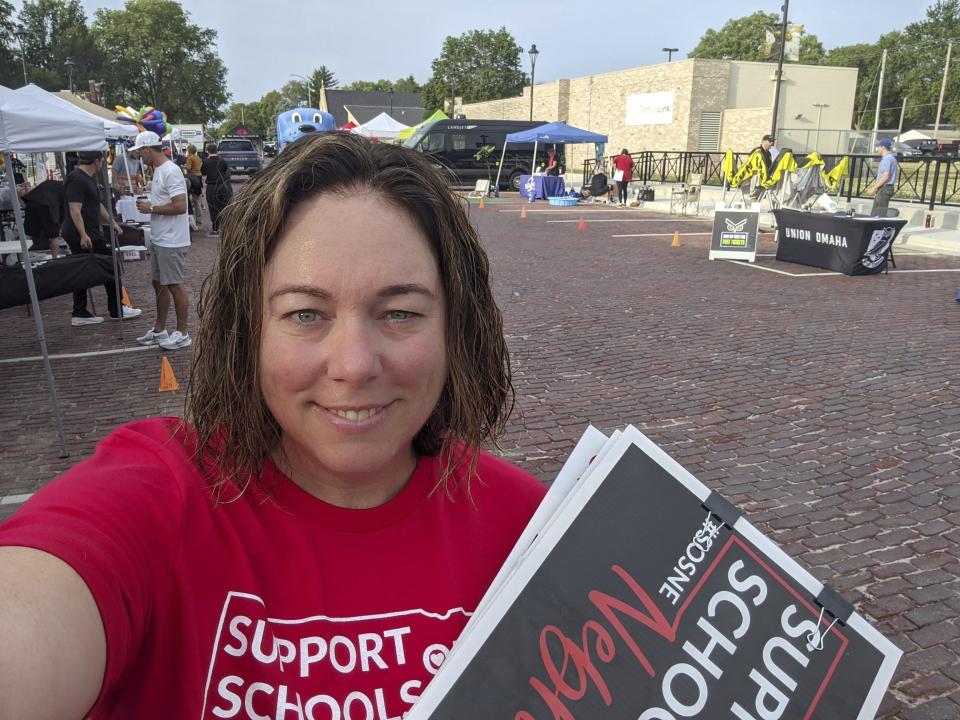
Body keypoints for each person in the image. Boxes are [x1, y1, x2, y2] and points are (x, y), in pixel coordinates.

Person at [0, 132, 547, 718]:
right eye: (305, 314)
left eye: (401, 312)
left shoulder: (535, 530)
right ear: (249, 330)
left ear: (455, 327)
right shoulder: (158, 498)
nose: (355, 365)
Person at [61, 151, 142, 326]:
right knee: (110, 265)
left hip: (88, 231)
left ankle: (81, 311)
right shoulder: (77, 178)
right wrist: (83, 234)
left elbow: (96, 204)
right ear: (97, 161)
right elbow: (75, 209)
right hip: (81, 233)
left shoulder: (88, 178)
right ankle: (116, 309)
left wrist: (112, 222)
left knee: (82, 271)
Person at [131, 130, 193, 350]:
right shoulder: (159, 170)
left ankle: (183, 332)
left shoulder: (170, 171)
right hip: (162, 238)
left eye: (140, 151)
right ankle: (160, 329)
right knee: (159, 283)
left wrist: (152, 207)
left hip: (172, 240)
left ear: (148, 149)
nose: (139, 156)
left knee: (174, 284)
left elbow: (180, 206)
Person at [201, 141, 232, 237]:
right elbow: (226, 171)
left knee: (213, 208)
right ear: (216, 150)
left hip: (212, 187)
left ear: (207, 151)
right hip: (223, 186)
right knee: (224, 206)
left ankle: (215, 229)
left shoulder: (206, 161)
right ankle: (225, 228)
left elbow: (203, 173)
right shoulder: (223, 161)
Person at [866, 138, 898, 215]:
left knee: (878, 214)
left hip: (884, 188)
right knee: (877, 212)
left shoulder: (887, 159)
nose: (877, 149)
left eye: (878, 147)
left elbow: (885, 176)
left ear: (883, 147)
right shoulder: (890, 158)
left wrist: (874, 188)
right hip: (885, 188)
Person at [183, 143, 204, 229]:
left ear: (189, 150)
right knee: (197, 200)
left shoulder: (190, 158)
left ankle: (191, 217)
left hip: (192, 178)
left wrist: (183, 166)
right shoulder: (198, 157)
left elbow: (188, 167)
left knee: (190, 199)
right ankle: (199, 219)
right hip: (199, 177)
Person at [750, 134, 776, 201]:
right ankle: (753, 201)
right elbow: (750, 165)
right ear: (763, 141)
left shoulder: (769, 154)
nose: (772, 143)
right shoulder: (757, 151)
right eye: (770, 141)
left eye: (772, 141)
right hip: (756, 177)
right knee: (754, 195)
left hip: (764, 178)